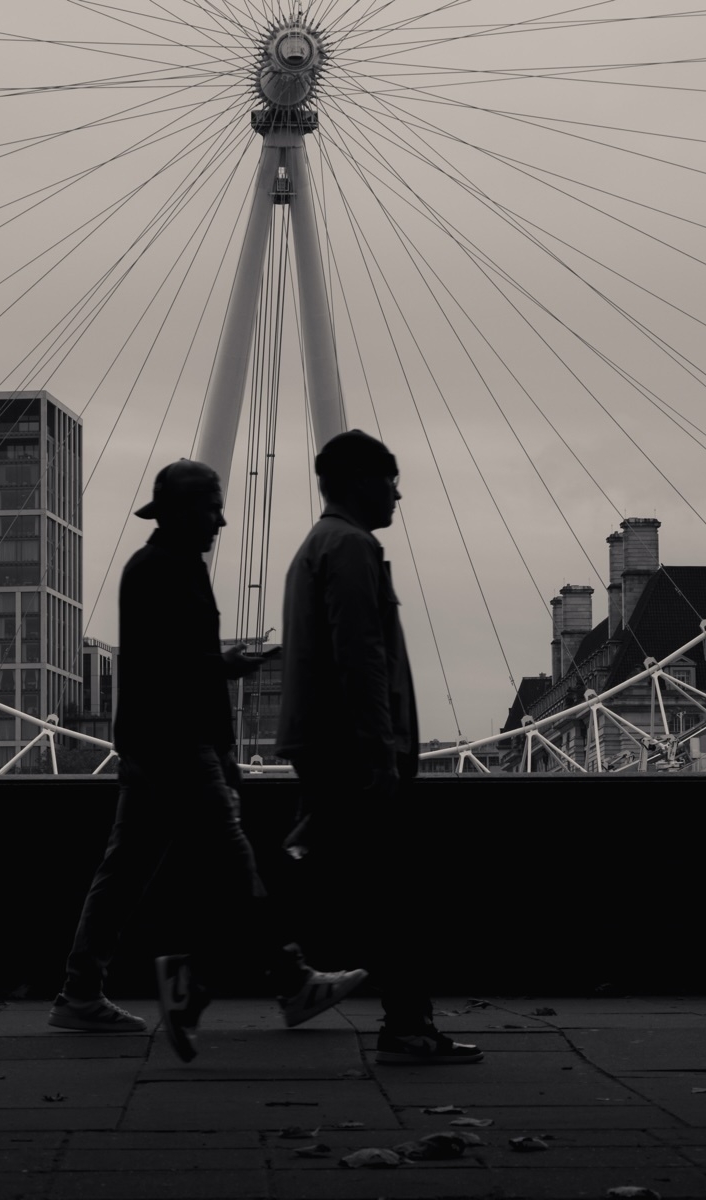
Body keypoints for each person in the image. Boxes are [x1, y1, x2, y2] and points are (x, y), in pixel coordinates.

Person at [50, 459, 366, 1062]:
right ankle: (282, 981)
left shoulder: (162, 567)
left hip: (160, 744)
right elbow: (173, 669)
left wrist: (219, 679)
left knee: (126, 874)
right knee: (234, 864)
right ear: (180, 512)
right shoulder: (163, 569)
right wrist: (219, 722)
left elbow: (166, 663)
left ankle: (81, 991)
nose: (221, 520)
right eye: (210, 507)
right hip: (177, 745)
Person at [278, 430, 483, 1065]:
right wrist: (380, 749)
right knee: (395, 890)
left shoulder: (315, 546)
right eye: (390, 478)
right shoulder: (350, 547)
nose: (398, 491)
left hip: (323, 742)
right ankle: (409, 1025)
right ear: (360, 481)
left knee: (320, 875)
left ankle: (198, 969)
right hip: (353, 750)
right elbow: (362, 654)